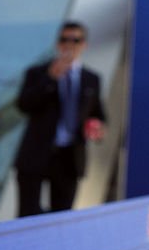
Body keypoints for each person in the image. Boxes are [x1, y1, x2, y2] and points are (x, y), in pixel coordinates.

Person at [14, 21, 106, 217]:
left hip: (69, 157)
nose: (69, 45)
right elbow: (23, 105)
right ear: (57, 44)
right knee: (27, 217)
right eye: (65, 39)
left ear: (84, 45)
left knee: (61, 219)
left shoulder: (92, 79)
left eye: (75, 40)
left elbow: (98, 113)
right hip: (36, 155)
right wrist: (50, 79)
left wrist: (97, 125)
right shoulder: (37, 73)